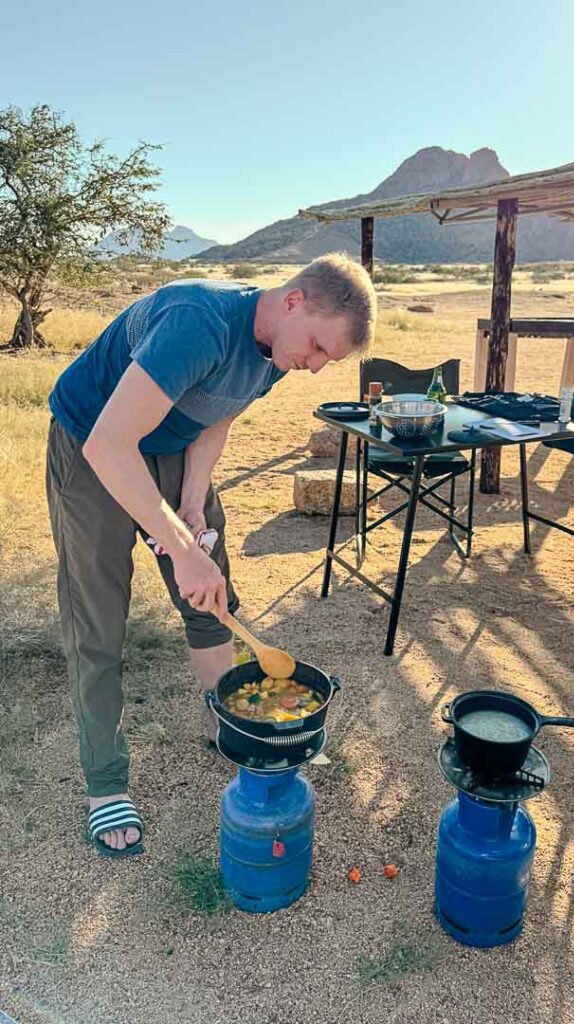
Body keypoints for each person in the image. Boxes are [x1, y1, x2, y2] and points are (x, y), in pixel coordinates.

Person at [46, 252, 376, 858]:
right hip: (93, 441)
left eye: (329, 358)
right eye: (320, 348)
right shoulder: (197, 321)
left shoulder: (278, 349)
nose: (317, 367)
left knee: (210, 589)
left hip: (166, 444)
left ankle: (226, 726)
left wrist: (192, 507)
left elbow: (215, 417)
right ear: (294, 301)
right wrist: (176, 546)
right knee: (98, 614)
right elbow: (111, 445)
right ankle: (105, 782)